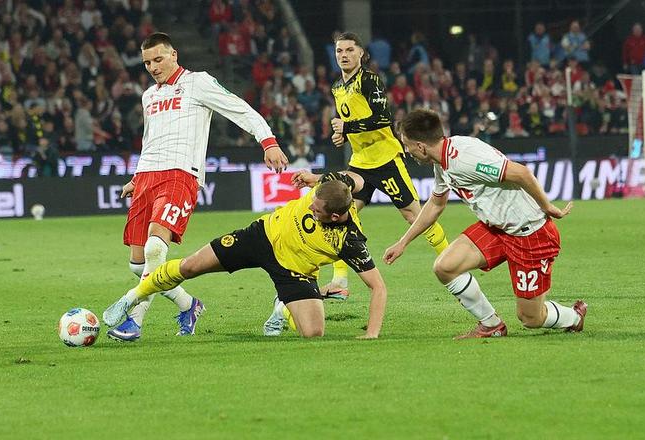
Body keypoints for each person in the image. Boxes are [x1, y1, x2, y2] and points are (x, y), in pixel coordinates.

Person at [108, 32, 288, 342]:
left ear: (174, 55)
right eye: (147, 63)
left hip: (180, 175)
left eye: (158, 59)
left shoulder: (197, 82)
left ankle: (134, 321)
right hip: (147, 176)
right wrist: (137, 178)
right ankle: (188, 305)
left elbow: (239, 108)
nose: (153, 67)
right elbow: (151, 139)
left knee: (155, 248)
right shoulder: (148, 96)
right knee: (139, 265)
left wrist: (268, 142)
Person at [103, 171, 387, 339]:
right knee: (190, 266)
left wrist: (372, 333)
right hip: (262, 236)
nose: (311, 207)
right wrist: (314, 178)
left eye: (317, 210)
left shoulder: (351, 240)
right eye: (312, 201)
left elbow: (378, 287)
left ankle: (284, 305)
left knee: (313, 333)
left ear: (335, 216)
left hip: (295, 271)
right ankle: (132, 297)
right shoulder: (335, 185)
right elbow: (359, 179)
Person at [383, 109, 587, 339]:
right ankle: (491, 325)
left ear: (421, 146)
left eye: (407, 145)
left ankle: (574, 317)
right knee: (445, 267)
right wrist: (403, 242)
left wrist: (547, 206)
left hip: (530, 233)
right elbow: (436, 204)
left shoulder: (465, 159)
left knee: (531, 318)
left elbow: (521, 173)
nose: (406, 150)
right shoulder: (442, 160)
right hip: (497, 229)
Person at [326, 31, 448, 298]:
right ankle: (339, 282)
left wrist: (347, 127)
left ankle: (451, 261)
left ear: (361, 53)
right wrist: (343, 134)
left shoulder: (369, 80)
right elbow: (352, 119)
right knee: (341, 213)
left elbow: (382, 118)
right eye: (339, 51)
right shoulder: (337, 87)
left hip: (385, 159)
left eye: (349, 50)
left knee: (414, 216)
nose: (344, 55)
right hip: (360, 162)